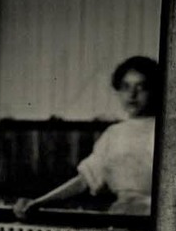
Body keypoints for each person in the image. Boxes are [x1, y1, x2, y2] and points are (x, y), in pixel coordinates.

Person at [14, 56, 159, 218]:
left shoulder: (167, 132)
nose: (132, 94)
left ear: (155, 90)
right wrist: (38, 202)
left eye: (141, 87)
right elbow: (84, 180)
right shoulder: (113, 134)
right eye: (125, 87)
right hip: (120, 216)